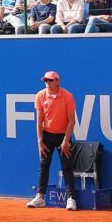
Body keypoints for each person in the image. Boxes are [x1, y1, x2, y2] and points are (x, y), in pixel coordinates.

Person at [26, 71, 77, 211]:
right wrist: (40, 141)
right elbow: (39, 120)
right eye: (45, 80)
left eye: (50, 80)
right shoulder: (40, 96)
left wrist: (66, 140)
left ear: (57, 81)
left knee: (67, 167)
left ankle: (71, 198)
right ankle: (40, 197)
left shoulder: (67, 96)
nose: (47, 83)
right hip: (47, 134)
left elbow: (72, 120)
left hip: (63, 135)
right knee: (43, 166)